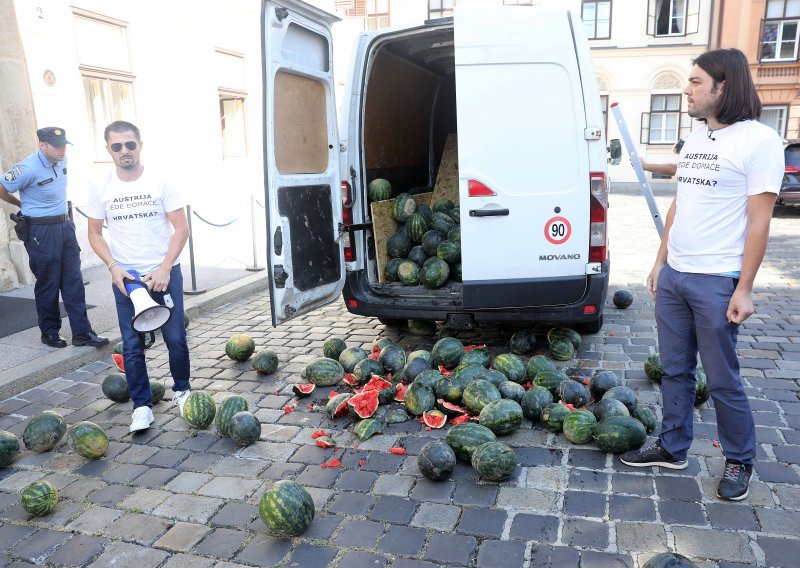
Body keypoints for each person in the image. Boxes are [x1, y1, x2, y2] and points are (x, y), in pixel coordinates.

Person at [621, 49, 784, 502]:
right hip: (675, 275)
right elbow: (681, 203)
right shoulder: (696, 137)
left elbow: (759, 221)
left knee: (721, 378)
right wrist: (659, 263)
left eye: (695, 82)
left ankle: (739, 459)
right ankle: (673, 448)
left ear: (722, 86)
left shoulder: (759, 142)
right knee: (674, 370)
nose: (686, 89)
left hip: (716, 281)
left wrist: (745, 287)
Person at [86, 121, 191, 433]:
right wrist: (113, 267)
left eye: (130, 144)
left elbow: (181, 228)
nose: (124, 151)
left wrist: (165, 267)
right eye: (117, 146)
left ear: (140, 145)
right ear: (108, 150)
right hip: (126, 279)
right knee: (131, 345)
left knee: (175, 338)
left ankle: (183, 391)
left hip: (164, 273)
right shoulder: (100, 187)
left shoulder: (161, 181)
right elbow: (94, 233)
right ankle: (142, 406)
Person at [0, 127, 108, 348]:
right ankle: (49, 332)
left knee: (74, 282)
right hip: (41, 232)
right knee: (49, 283)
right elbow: (2, 188)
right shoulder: (27, 168)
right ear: (42, 145)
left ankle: (82, 333)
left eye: (64, 145)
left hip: (64, 226)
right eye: (57, 146)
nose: (62, 149)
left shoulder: (62, 160)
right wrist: (21, 204)